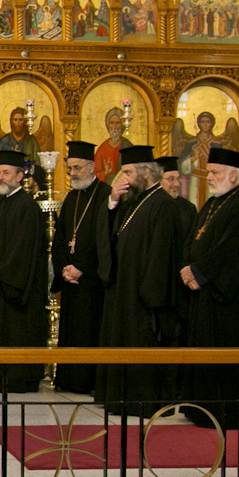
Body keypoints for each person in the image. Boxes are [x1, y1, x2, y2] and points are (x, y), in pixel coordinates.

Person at [177, 146, 239, 429]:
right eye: (209, 172)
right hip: (205, 296)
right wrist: (188, 267)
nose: (210, 177)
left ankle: (229, 413)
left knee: (227, 357)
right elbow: (195, 237)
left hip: (232, 301)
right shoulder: (212, 203)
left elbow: (236, 251)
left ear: (234, 175)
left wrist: (199, 272)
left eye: (215, 172)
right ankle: (201, 410)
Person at [95, 145, 182, 417]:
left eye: (128, 172)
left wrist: (150, 296)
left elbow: (161, 256)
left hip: (145, 299)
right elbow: (111, 237)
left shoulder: (163, 204)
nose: (123, 179)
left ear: (146, 172)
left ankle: (144, 403)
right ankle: (123, 400)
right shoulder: (132, 202)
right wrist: (111, 203)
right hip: (125, 292)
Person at [0, 151, 49, 393]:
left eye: (6, 173)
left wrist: (0, 272)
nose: (1, 178)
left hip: (15, 288)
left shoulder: (27, 207)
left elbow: (23, 250)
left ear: (19, 176)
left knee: (16, 333)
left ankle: (17, 379)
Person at [51, 142, 111, 395]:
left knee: (91, 331)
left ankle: (88, 382)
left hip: (93, 282)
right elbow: (62, 236)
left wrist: (82, 269)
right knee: (72, 331)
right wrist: (64, 267)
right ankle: (69, 379)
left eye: (77, 168)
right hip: (72, 280)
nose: (73, 173)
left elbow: (106, 241)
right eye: (69, 169)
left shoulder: (106, 195)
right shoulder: (72, 197)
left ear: (92, 167)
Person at [94, 108, 131, 182]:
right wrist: (105, 173)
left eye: (117, 123)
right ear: (107, 125)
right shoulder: (102, 148)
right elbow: (94, 173)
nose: (114, 127)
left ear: (122, 125)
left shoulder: (128, 146)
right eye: (111, 123)